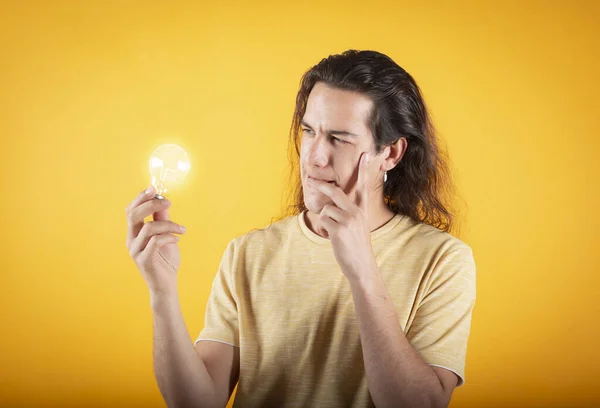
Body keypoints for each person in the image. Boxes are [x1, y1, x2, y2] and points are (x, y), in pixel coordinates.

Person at [126, 49, 477, 408]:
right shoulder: (248, 253)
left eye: (339, 139)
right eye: (309, 131)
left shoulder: (443, 261)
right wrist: (162, 292)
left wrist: (363, 273)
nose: (313, 156)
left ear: (390, 154)